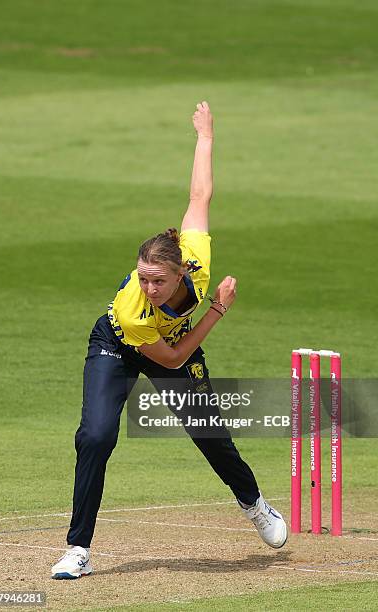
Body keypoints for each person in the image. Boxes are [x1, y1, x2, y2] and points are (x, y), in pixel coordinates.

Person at [51, 101, 287, 580]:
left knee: (210, 434)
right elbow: (174, 356)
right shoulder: (132, 309)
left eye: (158, 280)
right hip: (119, 346)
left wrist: (205, 137)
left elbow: (199, 195)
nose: (149, 286)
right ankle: (78, 549)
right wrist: (219, 308)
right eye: (143, 277)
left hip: (175, 341)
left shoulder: (194, 256)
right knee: (96, 436)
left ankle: (254, 503)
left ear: (180, 270)